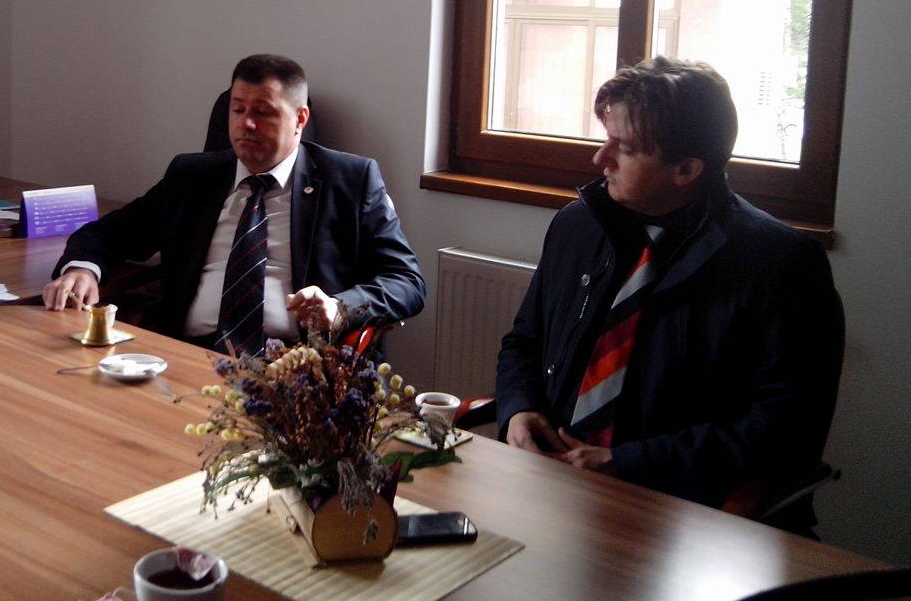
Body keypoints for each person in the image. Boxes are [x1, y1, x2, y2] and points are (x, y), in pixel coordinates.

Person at [495, 57, 842, 529]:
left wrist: (627, 462)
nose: (599, 159)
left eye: (625, 148)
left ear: (686, 169)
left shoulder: (781, 264)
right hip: (551, 489)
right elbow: (524, 341)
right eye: (605, 138)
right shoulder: (578, 226)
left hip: (683, 513)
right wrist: (519, 410)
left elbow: (784, 427)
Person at [45, 54, 424, 350]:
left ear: (300, 119)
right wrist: (83, 269)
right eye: (238, 109)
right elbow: (108, 233)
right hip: (187, 354)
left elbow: (406, 282)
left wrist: (340, 307)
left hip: (296, 366)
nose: (247, 124)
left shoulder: (350, 180)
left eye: (263, 112)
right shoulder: (192, 177)